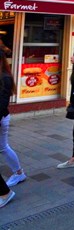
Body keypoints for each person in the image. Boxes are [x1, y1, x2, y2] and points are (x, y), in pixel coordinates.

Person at [0, 50, 26, 187]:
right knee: (3, 147)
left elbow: (2, 103)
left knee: (3, 147)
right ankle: (18, 173)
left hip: (1, 118)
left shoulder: (5, 78)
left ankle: (18, 173)